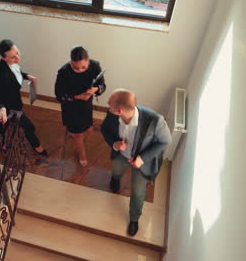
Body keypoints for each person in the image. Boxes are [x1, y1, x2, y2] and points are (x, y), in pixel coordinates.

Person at [100, 89, 171, 236]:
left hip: (141, 162)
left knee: (138, 192)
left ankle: (134, 219)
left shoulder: (155, 120)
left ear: (119, 111)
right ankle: (115, 179)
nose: (107, 105)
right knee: (117, 169)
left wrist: (143, 158)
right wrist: (115, 144)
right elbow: (104, 129)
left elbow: (165, 141)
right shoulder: (112, 114)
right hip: (121, 154)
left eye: (110, 103)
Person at [0, 39, 47, 156]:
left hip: (14, 101)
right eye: (12, 57)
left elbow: (17, 73)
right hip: (10, 107)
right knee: (29, 127)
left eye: (17, 52)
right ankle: (37, 146)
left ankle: (0, 143)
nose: (17, 57)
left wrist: (27, 76)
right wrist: (2, 108)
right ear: (4, 58)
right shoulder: (1, 75)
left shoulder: (11, 63)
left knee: (4, 124)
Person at [54, 46, 106, 167]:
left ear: (88, 59)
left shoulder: (95, 65)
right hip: (70, 106)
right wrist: (77, 97)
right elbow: (58, 96)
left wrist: (96, 89)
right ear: (71, 62)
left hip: (86, 104)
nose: (80, 70)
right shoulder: (63, 72)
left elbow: (102, 85)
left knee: (88, 128)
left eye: (83, 67)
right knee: (78, 133)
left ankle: (76, 134)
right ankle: (82, 153)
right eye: (76, 68)